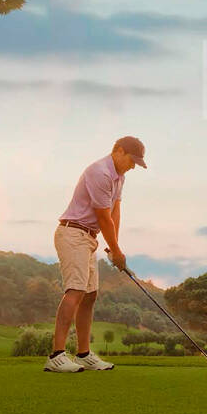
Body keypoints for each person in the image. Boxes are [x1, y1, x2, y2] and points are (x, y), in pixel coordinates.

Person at [44, 136, 147, 373]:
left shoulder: (119, 178)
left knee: (90, 295)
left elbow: (114, 212)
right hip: (72, 233)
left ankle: (83, 354)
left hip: (89, 238)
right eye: (132, 160)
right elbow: (103, 216)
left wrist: (114, 247)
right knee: (76, 290)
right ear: (119, 151)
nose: (133, 166)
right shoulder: (99, 172)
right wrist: (118, 252)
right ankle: (56, 355)